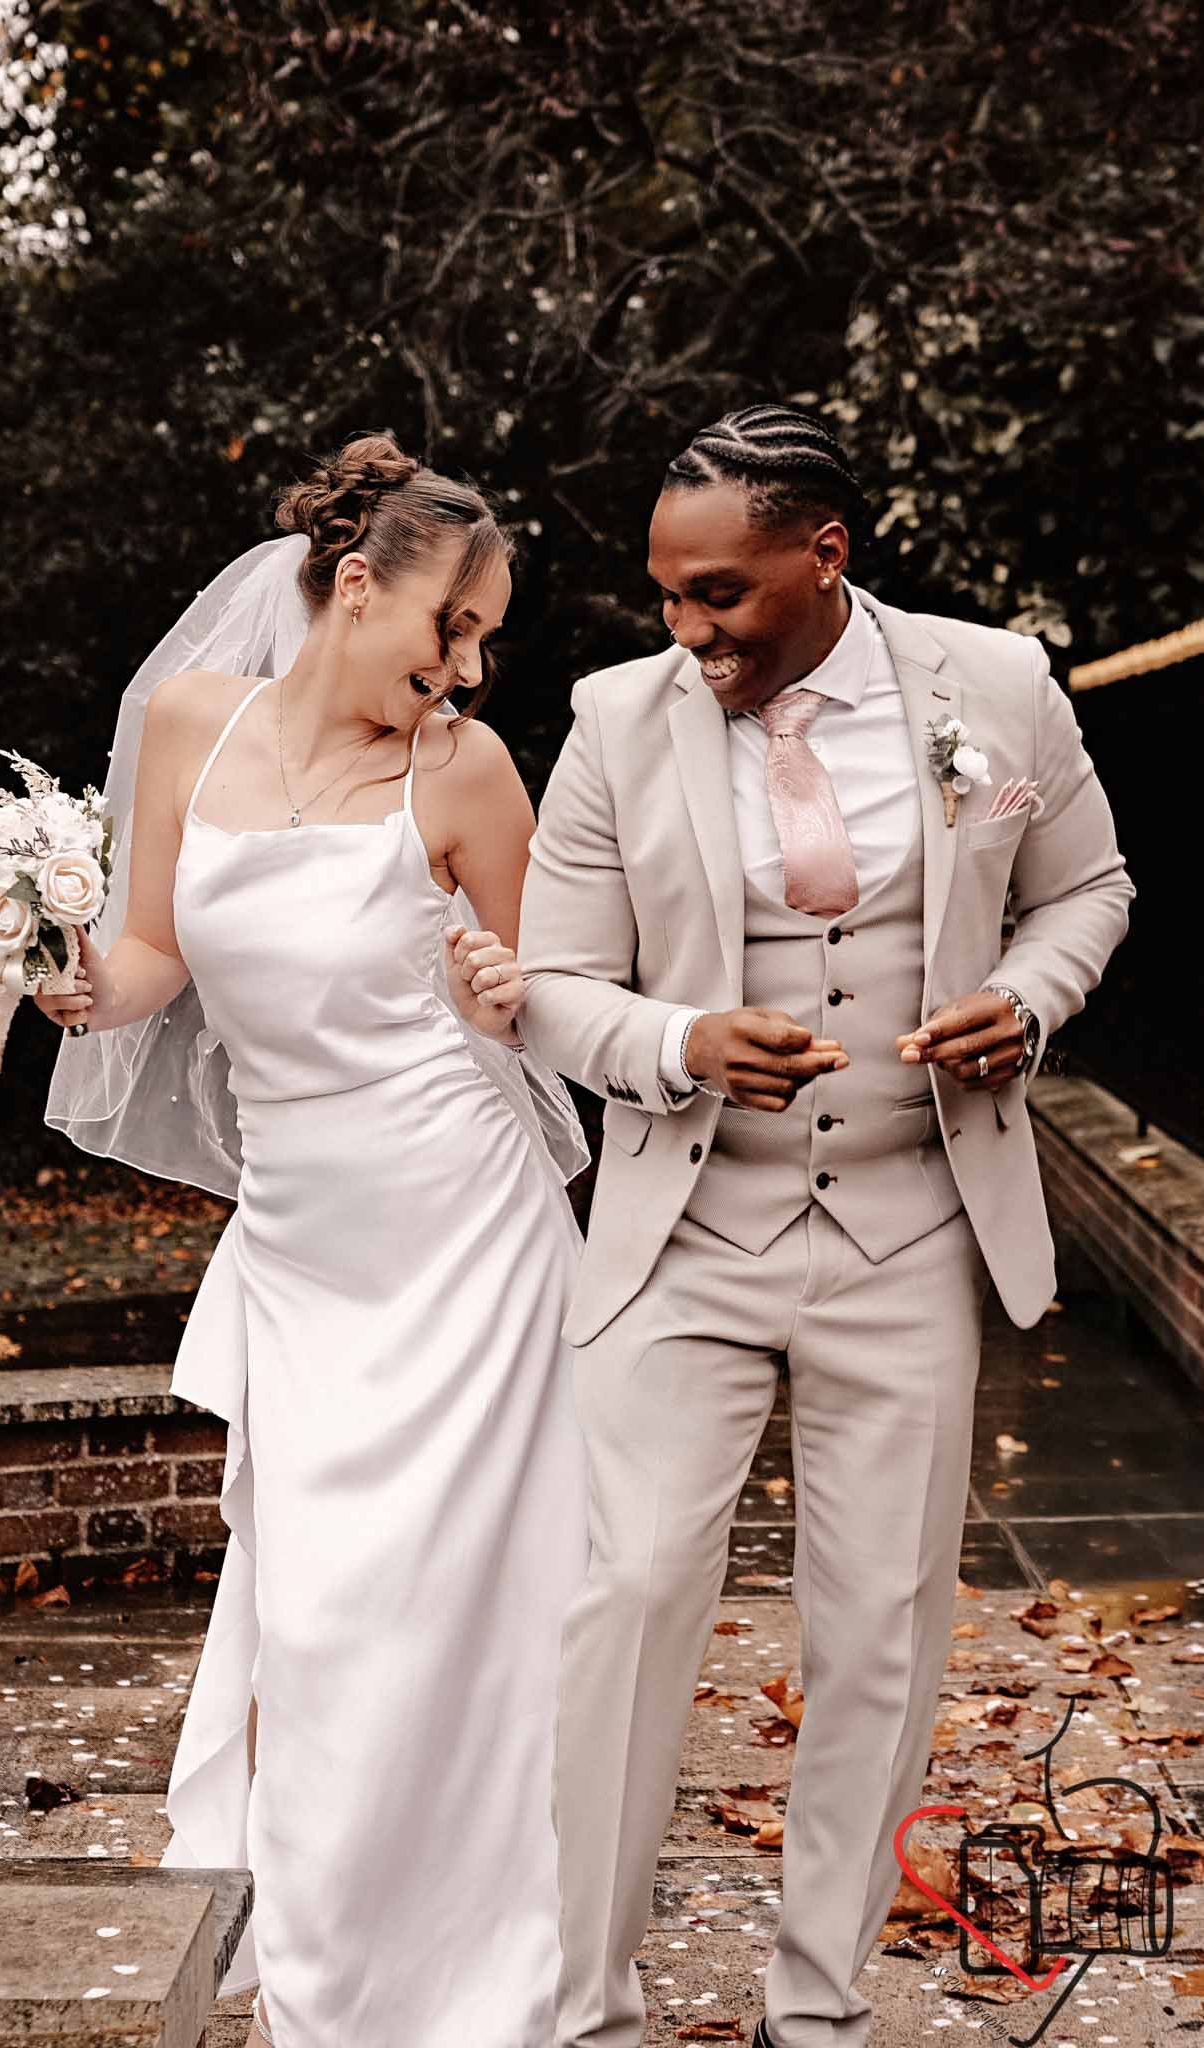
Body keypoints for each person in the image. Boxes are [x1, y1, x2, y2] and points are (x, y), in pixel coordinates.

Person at [516, 401, 1134, 2048]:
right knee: (631, 1593)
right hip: (684, 1232)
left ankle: (817, 2005)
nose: (685, 631)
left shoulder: (991, 686)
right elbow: (551, 981)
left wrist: (1023, 993)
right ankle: (588, 2009)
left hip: (909, 1224)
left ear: (823, 555)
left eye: (718, 594)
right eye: (664, 595)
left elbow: (1091, 885)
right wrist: (673, 1044)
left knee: (877, 1623)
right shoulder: (611, 720)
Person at [34, 434, 591, 2048]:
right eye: (452, 631)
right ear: (358, 587)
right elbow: (152, 956)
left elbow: (557, 990)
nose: (467, 669)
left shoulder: (468, 773)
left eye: (484, 642)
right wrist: (80, 979)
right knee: (320, 1608)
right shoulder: (189, 725)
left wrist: (514, 993)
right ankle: (320, 1948)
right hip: (302, 1242)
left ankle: (458, 1979)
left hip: (466, 1241)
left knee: (449, 1622)